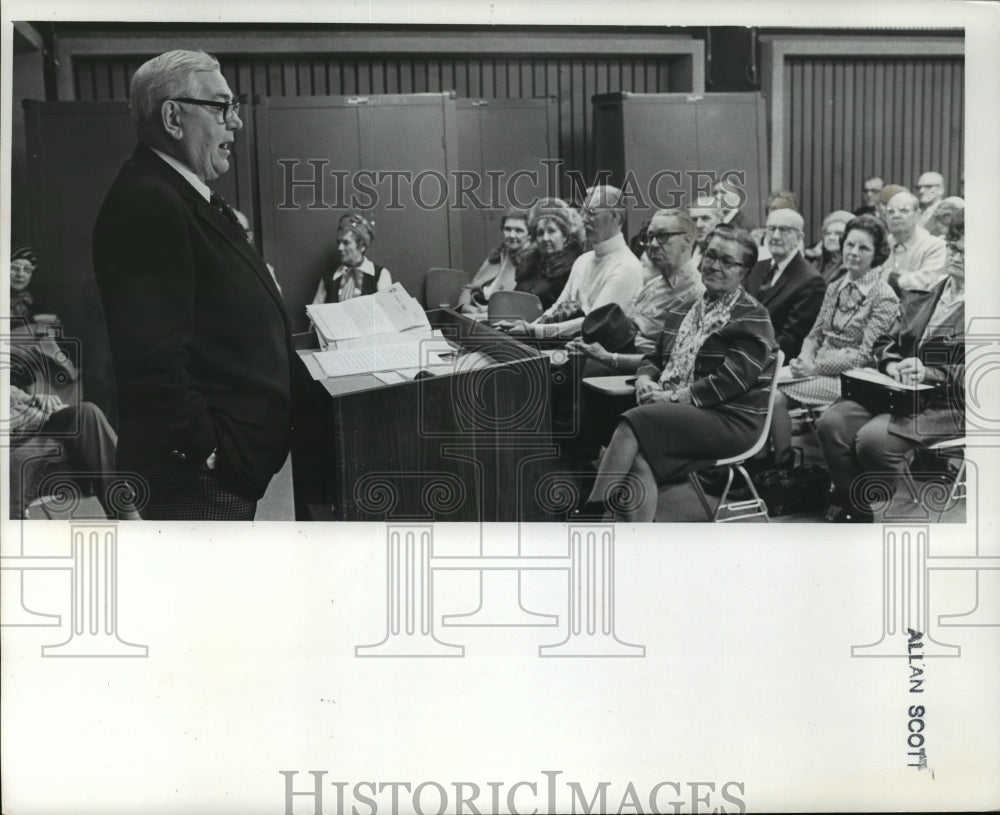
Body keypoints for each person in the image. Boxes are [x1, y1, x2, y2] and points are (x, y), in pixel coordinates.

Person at [93, 50, 293, 520]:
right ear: (172, 117)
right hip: (199, 482)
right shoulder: (149, 202)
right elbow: (153, 360)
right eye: (221, 107)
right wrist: (210, 451)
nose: (236, 123)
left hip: (216, 474)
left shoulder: (173, 192)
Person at [576, 225, 777, 522]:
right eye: (710, 256)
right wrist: (645, 379)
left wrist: (669, 397)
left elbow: (731, 381)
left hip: (730, 419)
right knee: (640, 460)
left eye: (727, 261)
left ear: (744, 272)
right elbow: (656, 357)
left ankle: (591, 510)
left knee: (636, 420)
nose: (714, 266)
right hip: (684, 412)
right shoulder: (685, 308)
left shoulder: (753, 315)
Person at [816, 210, 965, 522]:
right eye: (953, 248)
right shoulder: (925, 293)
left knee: (873, 441)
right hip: (899, 390)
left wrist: (930, 372)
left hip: (948, 402)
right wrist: (893, 361)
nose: (956, 256)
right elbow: (885, 339)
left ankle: (860, 503)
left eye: (966, 252)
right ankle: (853, 499)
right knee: (832, 423)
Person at [771, 216, 900, 461]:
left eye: (863, 248)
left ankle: (781, 466)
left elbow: (866, 356)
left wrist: (815, 367)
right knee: (764, 385)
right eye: (850, 245)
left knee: (774, 396)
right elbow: (814, 334)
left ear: (877, 254)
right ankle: (773, 461)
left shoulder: (884, 296)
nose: (853, 252)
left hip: (852, 377)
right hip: (815, 368)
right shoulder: (835, 287)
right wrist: (804, 358)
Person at [566, 208, 704, 374]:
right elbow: (627, 334)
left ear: (687, 241)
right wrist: (589, 345)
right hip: (618, 361)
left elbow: (670, 361)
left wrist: (608, 358)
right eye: (650, 237)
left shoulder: (696, 294)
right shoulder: (652, 286)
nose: (652, 245)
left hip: (645, 377)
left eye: (662, 236)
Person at [503, 186, 641, 341]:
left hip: (595, 356)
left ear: (615, 217)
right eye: (583, 211)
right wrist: (526, 328)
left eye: (592, 213)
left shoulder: (626, 267)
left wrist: (534, 330)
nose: (583, 219)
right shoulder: (583, 261)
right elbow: (557, 309)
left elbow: (591, 324)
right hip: (566, 346)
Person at [745, 208, 826, 361]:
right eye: (771, 229)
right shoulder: (756, 268)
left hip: (773, 362)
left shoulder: (811, 281)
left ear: (799, 237)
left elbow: (791, 341)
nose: (775, 236)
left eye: (784, 230)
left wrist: (748, 357)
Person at [508, 198, 584, 311]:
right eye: (540, 233)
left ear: (565, 236)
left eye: (551, 231)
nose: (545, 238)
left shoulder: (574, 267)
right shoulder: (527, 265)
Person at [456, 209, 531, 317]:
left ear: (530, 234)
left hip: (502, 316)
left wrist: (489, 310)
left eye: (519, 230)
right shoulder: (500, 253)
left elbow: (522, 305)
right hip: (476, 310)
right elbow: (469, 288)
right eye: (507, 229)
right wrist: (464, 306)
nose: (512, 235)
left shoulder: (532, 261)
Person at [313, 212, 391, 303]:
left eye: (346, 243)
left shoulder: (380, 275)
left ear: (362, 246)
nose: (340, 248)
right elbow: (314, 310)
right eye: (339, 242)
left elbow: (388, 312)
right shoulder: (328, 278)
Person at [881, 190, 948, 293]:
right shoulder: (881, 244)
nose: (896, 215)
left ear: (917, 215)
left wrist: (891, 279)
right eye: (890, 211)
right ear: (885, 217)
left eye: (903, 210)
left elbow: (929, 281)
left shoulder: (935, 246)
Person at [804, 209, 855, 284]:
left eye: (838, 234)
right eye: (828, 233)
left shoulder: (853, 268)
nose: (831, 237)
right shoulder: (814, 261)